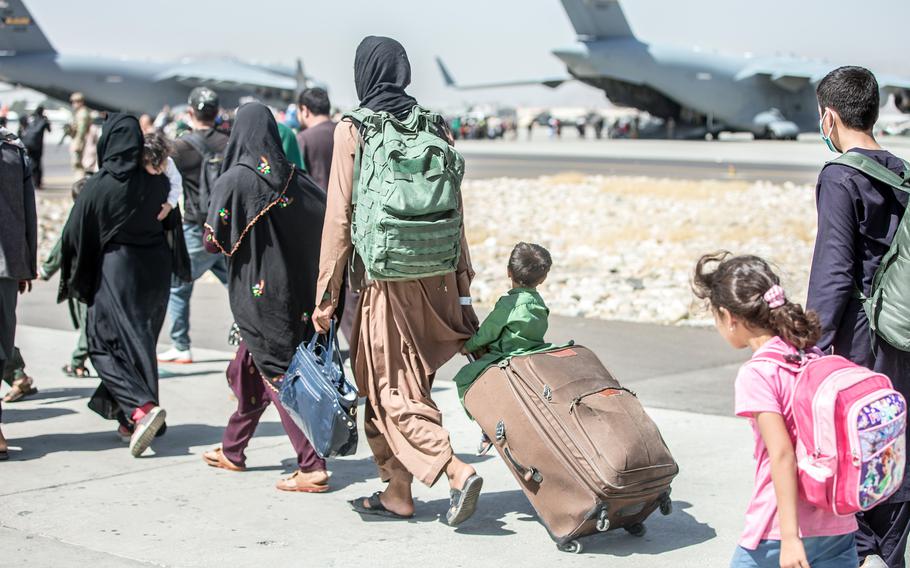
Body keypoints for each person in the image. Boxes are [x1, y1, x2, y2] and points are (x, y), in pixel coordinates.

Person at [312, 36, 482, 524]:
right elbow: (457, 212)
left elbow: (338, 221)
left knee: (389, 388)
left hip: (387, 281)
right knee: (406, 385)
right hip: (440, 278)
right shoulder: (435, 125)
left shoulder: (355, 129)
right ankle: (396, 491)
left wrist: (325, 297)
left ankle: (453, 469)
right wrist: (464, 286)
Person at [693, 252, 859, 568]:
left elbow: (782, 454)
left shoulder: (758, 373)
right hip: (837, 520)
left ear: (730, 317)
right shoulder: (810, 354)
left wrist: (790, 537)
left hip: (779, 529)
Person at [806, 66, 910, 568]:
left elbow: (834, 269)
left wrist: (812, 346)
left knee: (859, 450)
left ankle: (863, 555)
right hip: (903, 334)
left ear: (829, 116)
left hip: (862, 341)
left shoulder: (840, 176)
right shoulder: (902, 171)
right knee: (895, 443)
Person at [200, 102, 329, 492]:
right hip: (296, 293)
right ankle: (232, 449)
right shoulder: (295, 177)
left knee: (275, 374)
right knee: (249, 369)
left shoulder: (235, 180)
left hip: (258, 297)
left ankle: (311, 466)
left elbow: (211, 242)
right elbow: (324, 217)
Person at [59, 113, 189, 457]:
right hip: (156, 271)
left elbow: (75, 232)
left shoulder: (104, 183)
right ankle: (129, 421)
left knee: (102, 344)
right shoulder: (158, 179)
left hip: (118, 271)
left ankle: (141, 410)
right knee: (138, 343)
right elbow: (171, 219)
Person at [158, 87, 229, 364]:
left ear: (190, 112)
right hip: (227, 226)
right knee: (237, 286)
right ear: (216, 112)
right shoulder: (230, 143)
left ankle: (181, 344)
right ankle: (249, 340)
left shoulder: (180, 147)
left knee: (179, 284)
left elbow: (166, 183)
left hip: (196, 226)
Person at [454, 242, 553, 404]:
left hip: (506, 355)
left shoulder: (509, 304)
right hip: (533, 352)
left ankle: (485, 415)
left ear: (508, 272)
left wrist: (468, 347)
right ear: (543, 279)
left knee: (466, 377)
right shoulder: (539, 302)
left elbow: (488, 332)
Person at [0, 125, 37, 460]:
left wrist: (26, 262)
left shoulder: (15, 152)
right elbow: (28, 212)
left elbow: (28, 212)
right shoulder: (14, 153)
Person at [39, 177, 91, 378]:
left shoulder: (78, 218)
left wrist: (45, 271)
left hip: (82, 280)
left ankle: (78, 360)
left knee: (88, 323)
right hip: (96, 279)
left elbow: (62, 245)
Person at [296, 87, 336, 190]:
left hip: (317, 202)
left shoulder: (303, 138)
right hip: (348, 203)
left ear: (304, 110)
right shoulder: (346, 132)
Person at [142, 131, 182, 221]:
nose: (161, 169)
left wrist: (170, 204)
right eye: (156, 166)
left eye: (163, 163)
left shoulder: (168, 162)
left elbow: (176, 183)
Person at [21, 106, 51, 188]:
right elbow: (49, 130)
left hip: (27, 143)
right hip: (37, 146)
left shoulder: (31, 118)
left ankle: (29, 181)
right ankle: (37, 183)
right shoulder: (43, 120)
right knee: (37, 164)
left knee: (29, 162)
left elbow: (23, 126)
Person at [68, 92, 92, 180]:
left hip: (79, 142)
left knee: (77, 165)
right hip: (78, 140)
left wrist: (78, 143)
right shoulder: (80, 113)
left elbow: (81, 131)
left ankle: (79, 184)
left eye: (76, 101)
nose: (74, 104)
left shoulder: (82, 114)